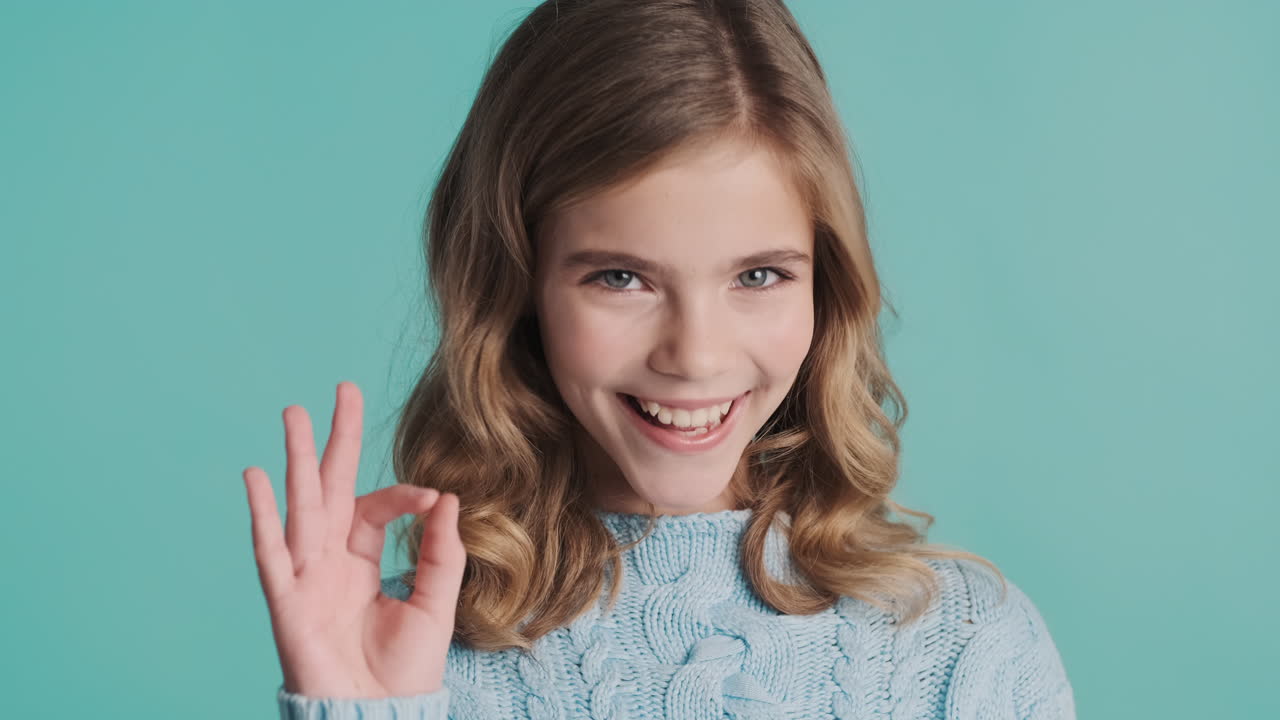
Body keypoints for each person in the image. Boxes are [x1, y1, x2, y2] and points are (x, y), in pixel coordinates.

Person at [244, 1, 1077, 717]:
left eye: (759, 275)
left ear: (826, 284)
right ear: (517, 282)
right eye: (622, 277)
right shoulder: (404, 663)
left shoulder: (966, 655)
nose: (696, 355)